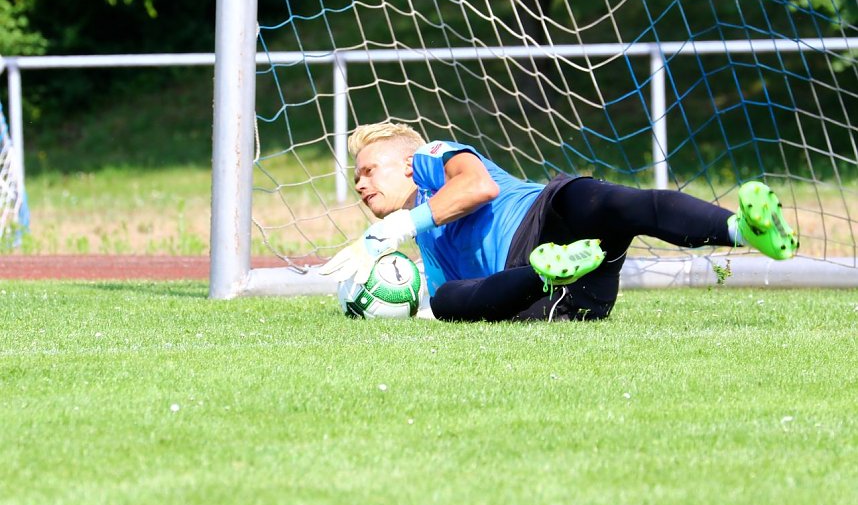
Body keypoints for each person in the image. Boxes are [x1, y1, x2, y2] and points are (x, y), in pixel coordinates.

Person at [320, 122, 798, 322]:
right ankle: (549, 272)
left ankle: (742, 229)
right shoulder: (425, 240)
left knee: (607, 201)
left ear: (405, 165)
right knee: (445, 300)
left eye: (368, 170)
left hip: (542, 217)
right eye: (356, 177)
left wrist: (399, 226)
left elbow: (479, 187)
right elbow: (460, 301)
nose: (360, 184)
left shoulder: (429, 160)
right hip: (558, 296)